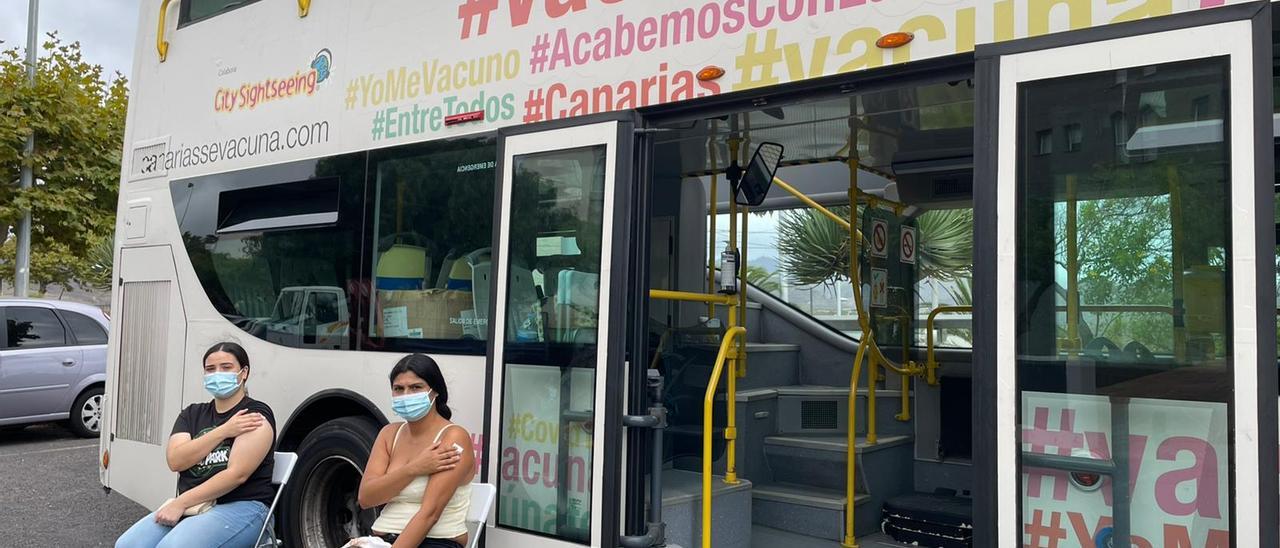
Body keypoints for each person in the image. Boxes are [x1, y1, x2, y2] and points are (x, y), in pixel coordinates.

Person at [116, 342, 276, 548]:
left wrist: (181, 502)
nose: (217, 374)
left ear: (243, 372)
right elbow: (176, 460)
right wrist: (224, 431)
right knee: (127, 545)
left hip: (243, 506)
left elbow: (237, 474)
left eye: (226, 367)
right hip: (196, 506)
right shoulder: (192, 414)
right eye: (210, 369)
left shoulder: (254, 414)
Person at [359, 354, 474, 548]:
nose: (406, 395)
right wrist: (414, 468)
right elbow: (367, 498)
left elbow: (430, 514)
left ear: (435, 391)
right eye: (398, 389)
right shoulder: (389, 434)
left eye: (416, 387)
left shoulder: (453, 437)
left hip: (435, 541)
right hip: (381, 540)